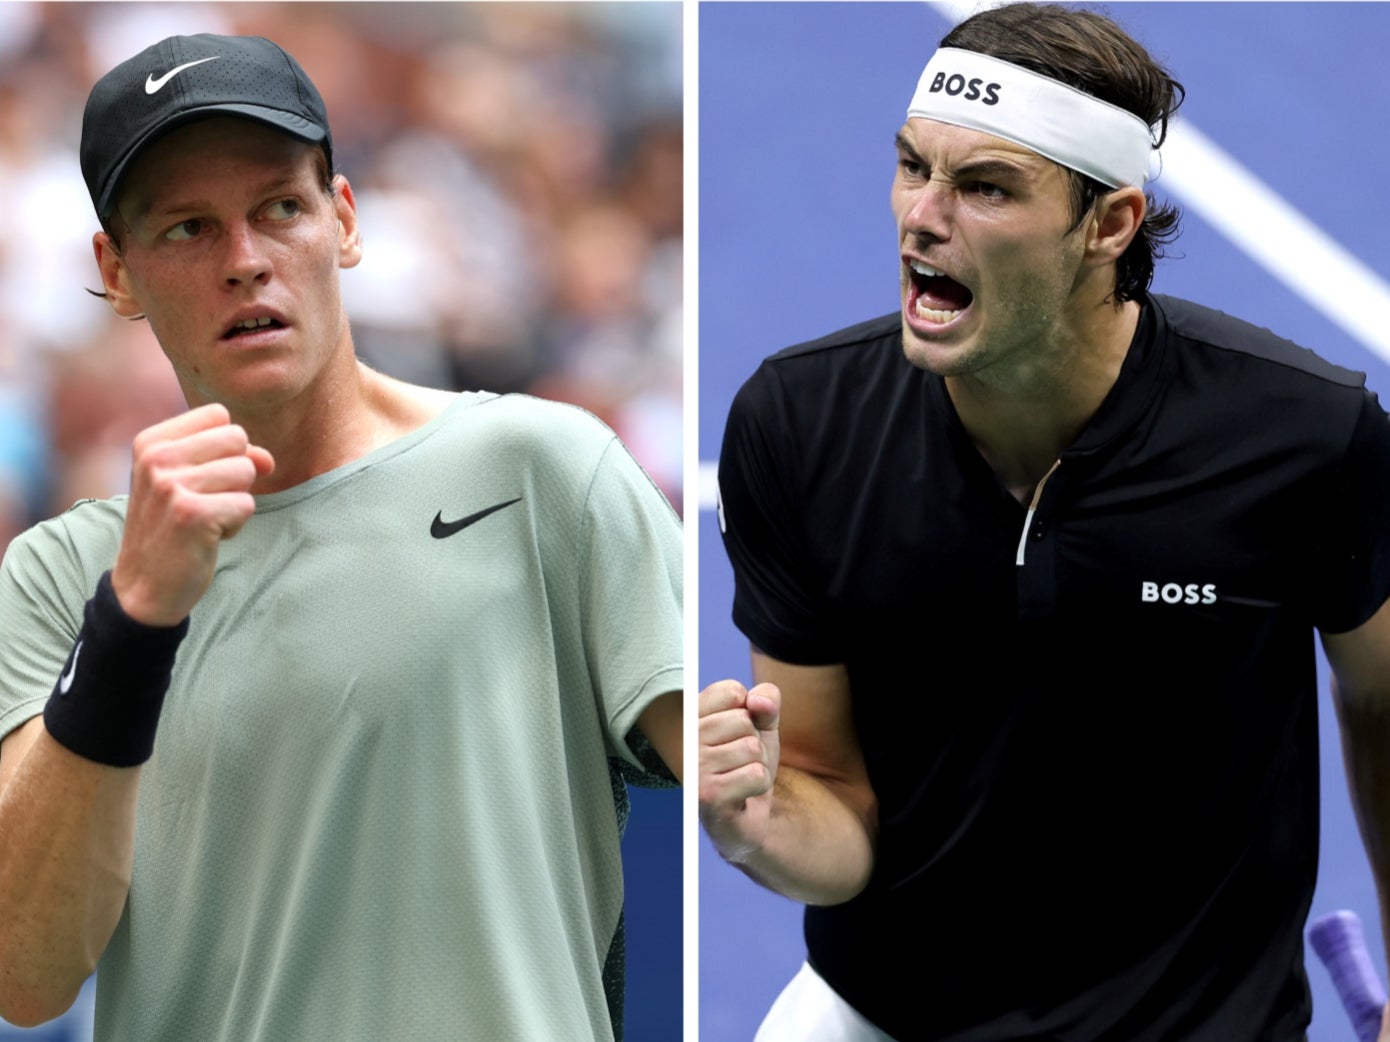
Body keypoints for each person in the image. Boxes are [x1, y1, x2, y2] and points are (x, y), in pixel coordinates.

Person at [698, 3, 1390, 1040]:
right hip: (884, 1016)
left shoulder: (1301, 436)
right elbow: (836, 805)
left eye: (983, 187)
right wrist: (758, 827)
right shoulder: (797, 425)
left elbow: (1383, 701)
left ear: (1108, 224)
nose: (920, 217)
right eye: (911, 165)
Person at [0, 33, 682, 1042]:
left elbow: (755, 780)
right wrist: (133, 622)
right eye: (189, 228)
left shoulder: (547, 469)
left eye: (280, 208)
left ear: (345, 220)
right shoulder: (62, 575)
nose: (245, 261)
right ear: (118, 271)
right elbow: (25, 973)